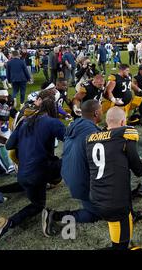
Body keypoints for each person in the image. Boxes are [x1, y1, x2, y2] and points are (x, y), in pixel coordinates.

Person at [0, 98, 65, 245]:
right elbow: (71, 141)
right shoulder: (53, 122)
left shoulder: (25, 122)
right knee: (65, 162)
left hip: (24, 173)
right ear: (53, 110)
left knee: (29, 186)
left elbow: (9, 146)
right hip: (40, 172)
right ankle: (9, 223)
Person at [86, 107, 142, 250]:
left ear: (107, 122)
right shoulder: (125, 135)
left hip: (97, 196)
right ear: (123, 121)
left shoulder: (90, 139)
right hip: (115, 202)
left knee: (117, 228)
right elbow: (138, 170)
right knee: (121, 246)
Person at [41, 100, 103, 236]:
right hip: (80, 178)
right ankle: (55, 216)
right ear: (96, 113)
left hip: (68, 171)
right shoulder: (93, 132)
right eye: (101, 110)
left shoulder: (76, 124)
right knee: (97, 213)